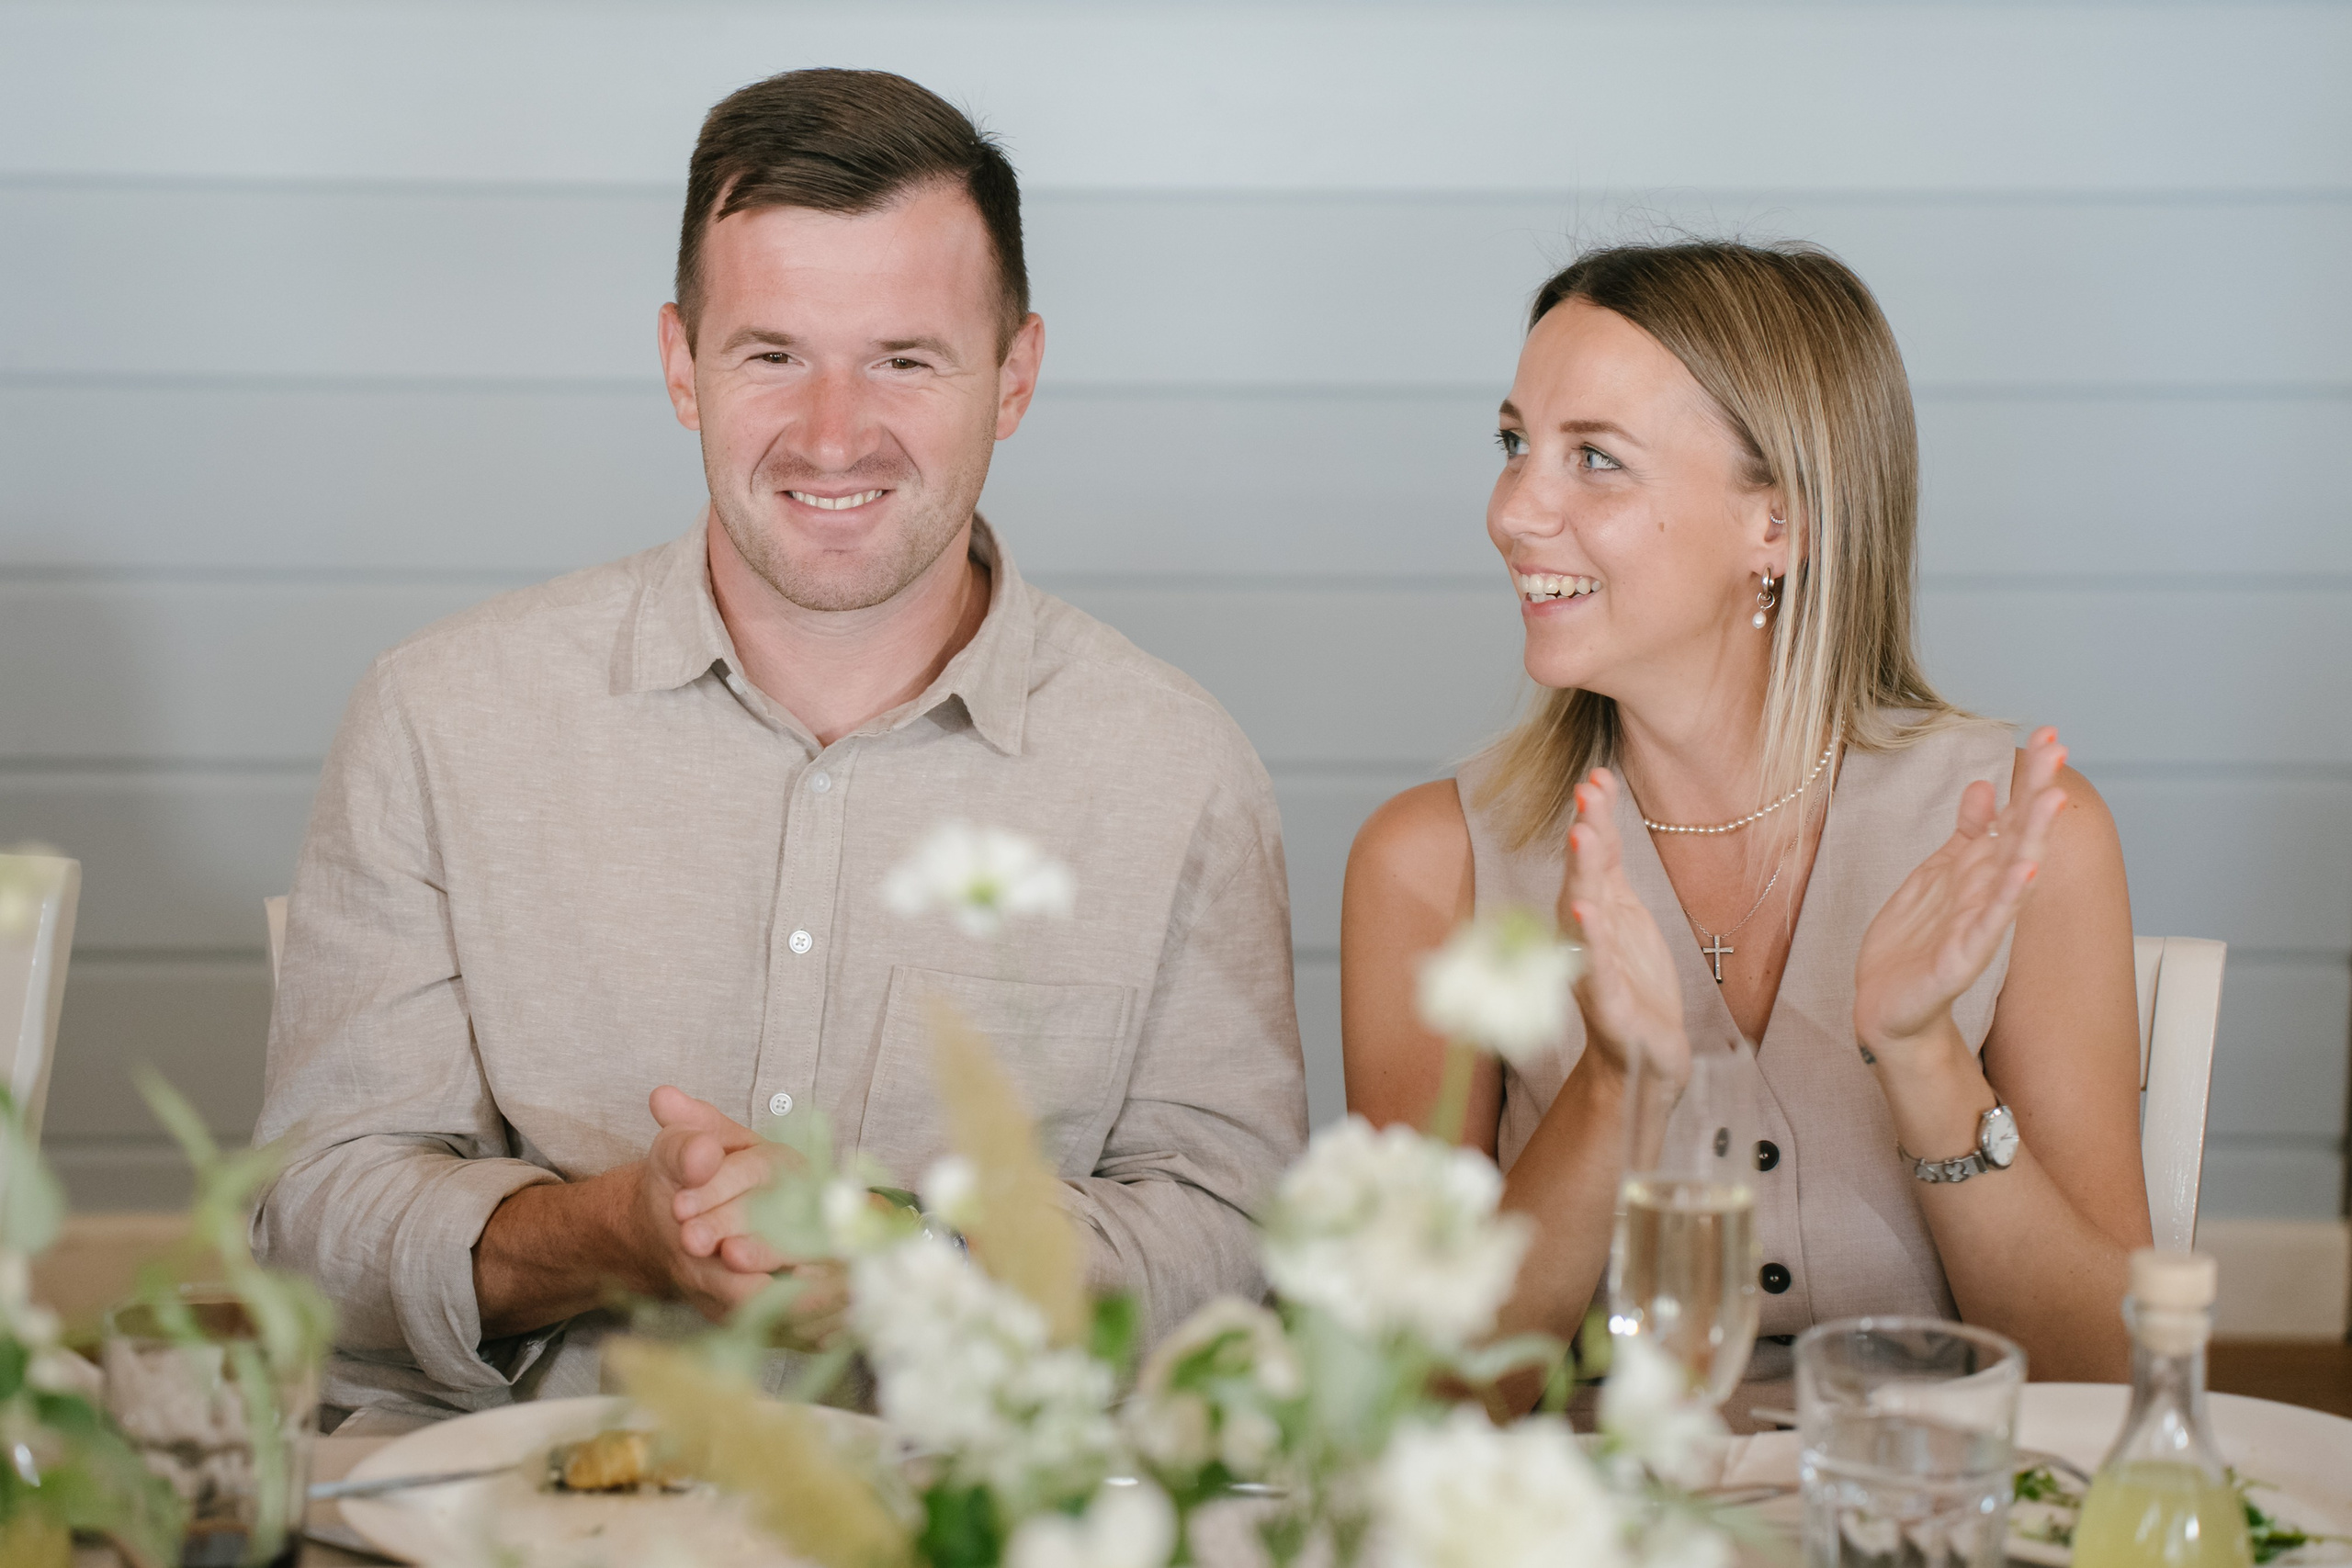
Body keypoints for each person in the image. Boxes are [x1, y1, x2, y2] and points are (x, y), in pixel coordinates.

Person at [254, 68, 1306, 1427]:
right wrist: (617, 1233)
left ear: (1015, 377)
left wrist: (910, 1267)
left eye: (904, 359)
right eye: (772, 356)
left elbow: (1230, 1248)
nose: (833, 435)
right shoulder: (437, 717)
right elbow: (312, 1229)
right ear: (680, 365)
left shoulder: (1178, 770)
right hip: (506, 1512)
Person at [1341, 241, 2150, 1417]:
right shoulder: (1431, 863)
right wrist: (1610, 1089)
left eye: (1594, 459)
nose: (1513, 511)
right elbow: (1413, 1399)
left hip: (1920, 1500)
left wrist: (1926, 1061)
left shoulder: (2029, 839)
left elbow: (2109, 1382)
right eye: (1515, 444)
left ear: (1780, 524)